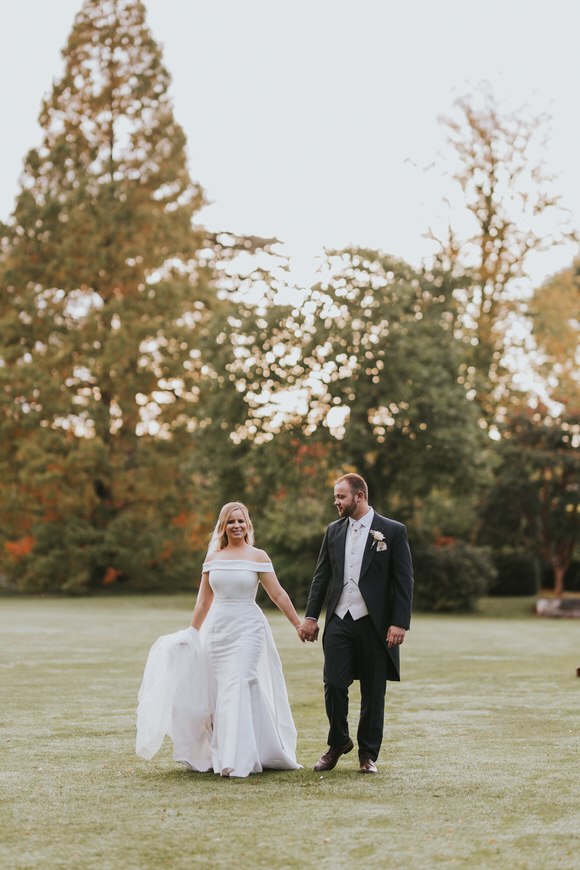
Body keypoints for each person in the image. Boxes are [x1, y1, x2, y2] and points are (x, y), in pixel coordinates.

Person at [136, 502, 303, 778]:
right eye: (230, 522)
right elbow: (203, 601)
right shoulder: (213, 558)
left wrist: (297, 624)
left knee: (240, 680)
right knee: (222, 687)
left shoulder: (258, 557)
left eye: (241, 521)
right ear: (223, 527)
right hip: (217, 630)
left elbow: (279, 595)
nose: (236, 526)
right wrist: (192, 632)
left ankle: (241, 757)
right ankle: (229, 752)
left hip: (248, 627)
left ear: (247, 525)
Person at [298, 473, 413, 773]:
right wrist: (311, 616)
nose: (336, 502)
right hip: (339, 618)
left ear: (359, 496)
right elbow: (321, 576)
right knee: (333, 683)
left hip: (375, 624)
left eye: (341, 497)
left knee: (373, 692)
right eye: (335, 497)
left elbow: (404, 581)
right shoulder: (333, 531)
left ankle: (368, 755)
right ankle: (338, 742)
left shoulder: (392, 531)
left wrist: (399, 622)